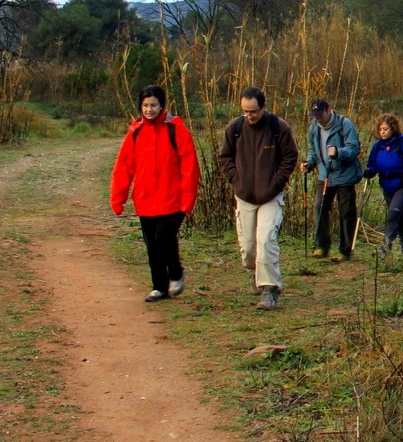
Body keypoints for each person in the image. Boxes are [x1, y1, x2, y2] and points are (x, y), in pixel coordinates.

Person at [110, 84, 200, 302]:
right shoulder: (135, 133)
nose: (149, 110)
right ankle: (159, 287)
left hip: (174, 199)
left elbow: (190, 166)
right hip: (145, 199)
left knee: (163, 238)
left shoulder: (176, 130)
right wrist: (118, 198)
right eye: (145, 105)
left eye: (154, 105)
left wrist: (188, 199)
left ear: (162, 106)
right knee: (152, 245)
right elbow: (123, 167)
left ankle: (175, 273)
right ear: (140, 107)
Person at [218, 86, 300, 311]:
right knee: (248, 249)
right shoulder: (235, 128)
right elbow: (225, 156)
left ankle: (270, 288)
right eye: (245, 111)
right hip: (244, 195)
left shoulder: (278, 128)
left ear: (263, 107)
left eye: (253, 111)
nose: (249, 116)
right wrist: (236, 180)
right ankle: (255, 272)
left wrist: (276, 182)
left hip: (271, 195)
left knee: (266, 240)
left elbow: (290, 157)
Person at [302, 98, 362, 261]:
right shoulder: (314, 128)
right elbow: (314, 151)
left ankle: (345, 251)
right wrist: (309, 163)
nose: (318, 119)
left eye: (320, 115)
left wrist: (338, 152)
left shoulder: (344, 124)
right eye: (315, 116)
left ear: (329, 110)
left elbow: (354, 148)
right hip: (324, 175)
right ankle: (321, 246)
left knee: (346, 212)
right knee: (319, 208)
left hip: (344, 175)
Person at [364, 113, 403, 256]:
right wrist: (369, 172)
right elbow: (372, 165)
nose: (382, 132)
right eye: (380, 129)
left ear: (393, 129)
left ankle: (385, 248)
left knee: (393, 213)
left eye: (385, 129)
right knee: (399, 217)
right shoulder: (378, 146)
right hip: (386, 186)